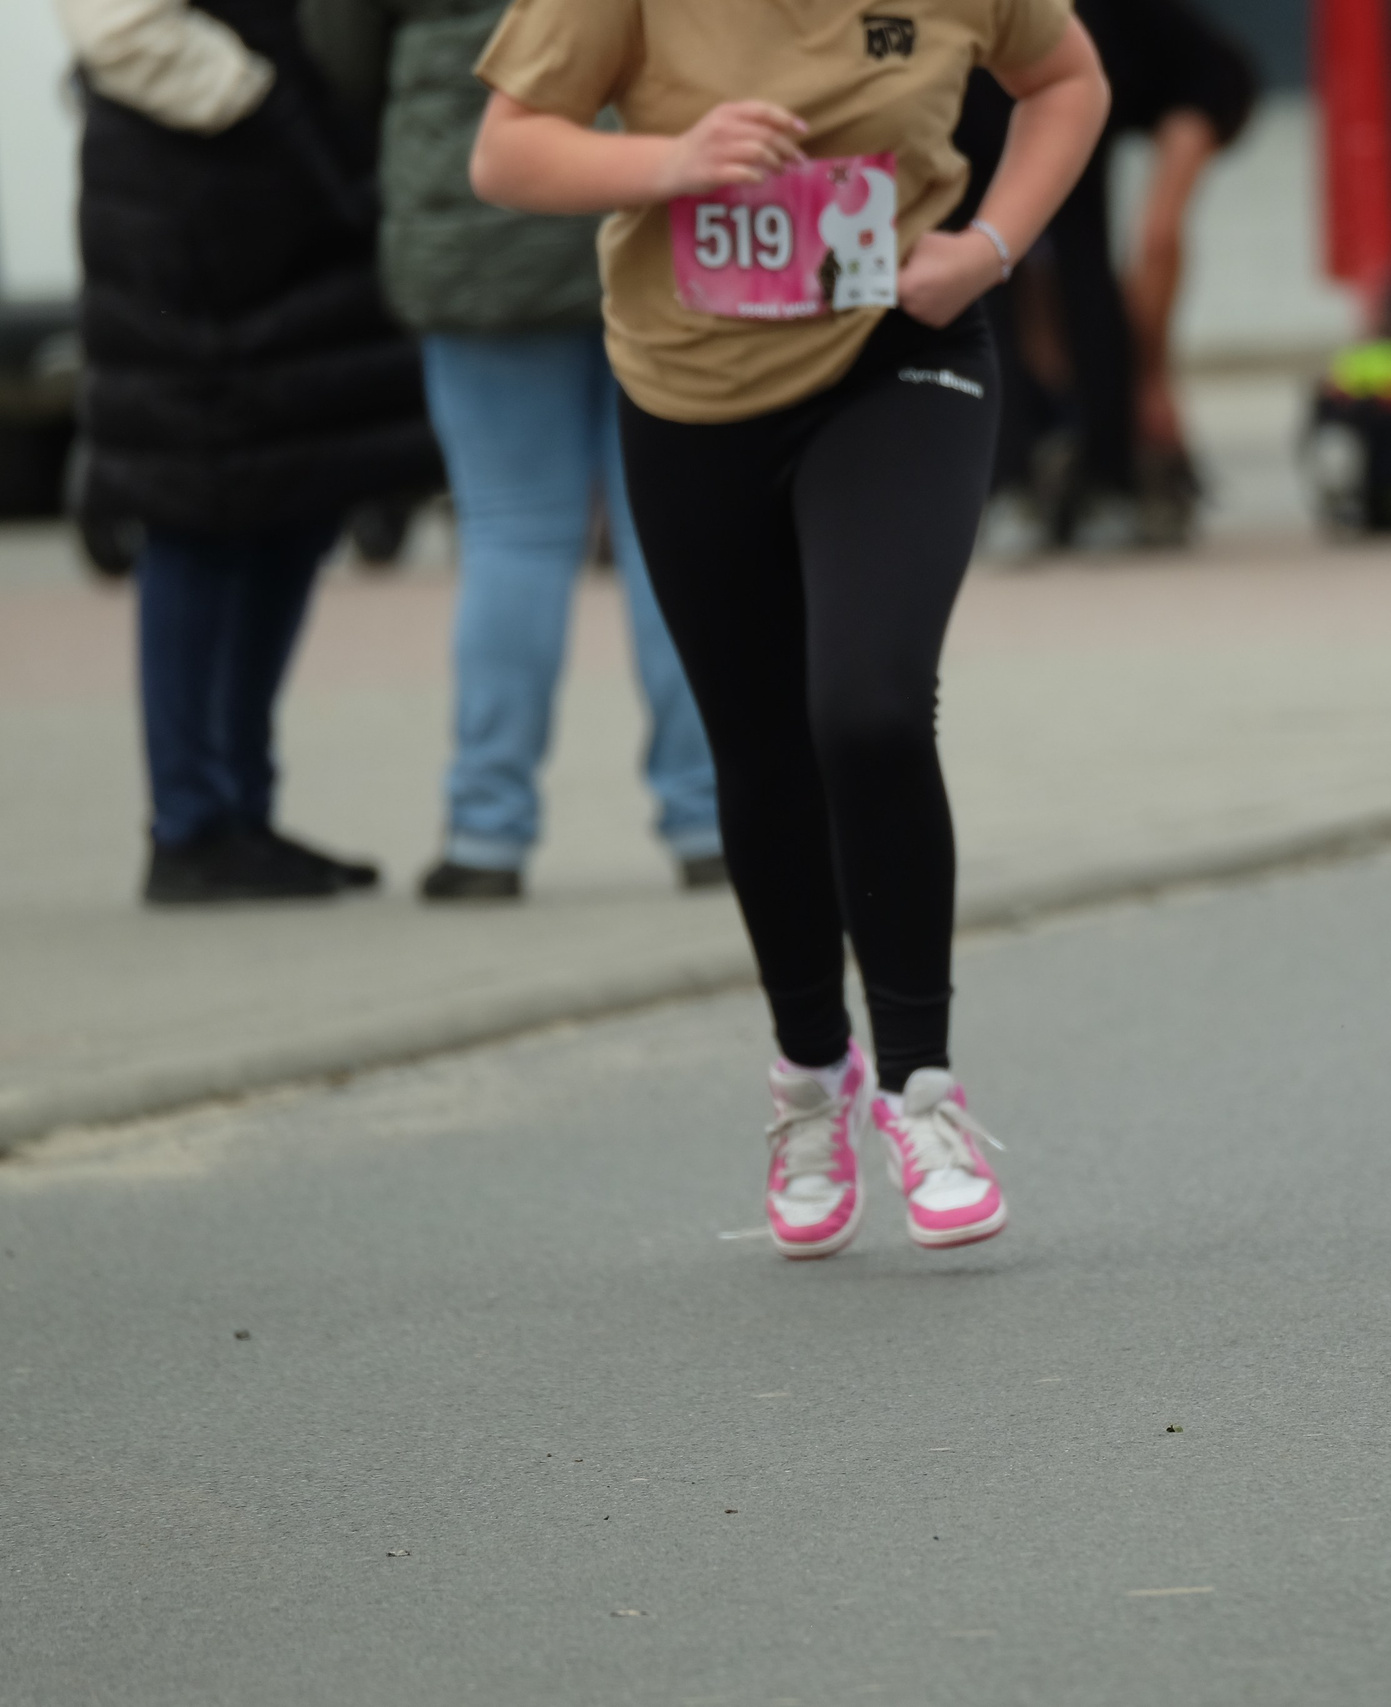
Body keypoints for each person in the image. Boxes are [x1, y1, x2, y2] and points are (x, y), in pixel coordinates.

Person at [466, 0, 1108, 1256]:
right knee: (756, 752)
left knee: (865, 705)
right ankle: (811, 1077)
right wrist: (670, 162)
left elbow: (1069, 80)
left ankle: (922, 1089)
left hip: (899, 351)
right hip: (692, 389)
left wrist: (988, 245)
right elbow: (505, 149)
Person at [299, 0, 725, 902]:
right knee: (672, 536)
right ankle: (709, 818)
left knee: (510, 534)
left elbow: (338, 49)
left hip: (475, 213)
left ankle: (487, 832)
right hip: (648, 193)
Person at [57, 0, 443, 904]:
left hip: (288, 180)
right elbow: (118, 26)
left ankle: (243, 812)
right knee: (196, 507)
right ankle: (191, 822)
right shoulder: (241, 109)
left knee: (292, 498)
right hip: (192, 187)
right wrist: (263, 102)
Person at [953, 0, 1256, 550]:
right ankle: (1035, 477)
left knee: (1063, 254)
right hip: (982, 145)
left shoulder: (1111, 28)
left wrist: (1151, 373)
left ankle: (1096, 474)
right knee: (993, 269)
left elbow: (1215, 80)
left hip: (1063, 146)